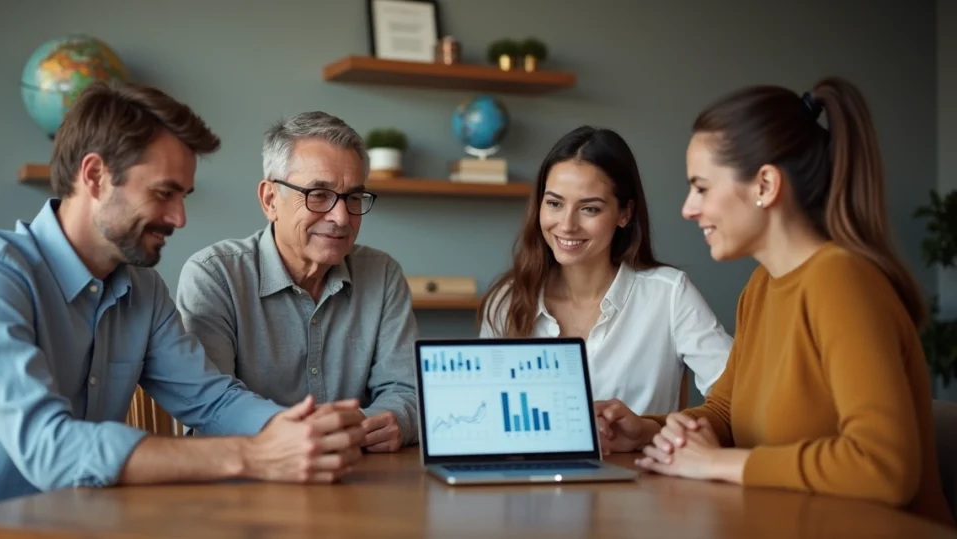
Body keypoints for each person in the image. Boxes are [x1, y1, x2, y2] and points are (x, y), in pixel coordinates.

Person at [0, 82, 366, 518]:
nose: (179, 218)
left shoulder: (143, 288)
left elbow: (210, 400)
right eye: (164, 193)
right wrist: (255, 454)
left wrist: (297, 433)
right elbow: (52, 450)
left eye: (183, 196)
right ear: (95, 176)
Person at [598, 77, 955, 528]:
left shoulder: (841, 281)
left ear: (765, 184)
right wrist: (648, 431)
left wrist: (716, 465)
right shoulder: (763, 286)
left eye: (702, 188)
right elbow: (726, 412)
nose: (688, 208)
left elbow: (883, 465)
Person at [175, 111, 418, 453]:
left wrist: (397, 418)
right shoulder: (215, 275)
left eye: (352, 197)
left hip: (357, 475)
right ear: (270, 200)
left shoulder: (382, 273)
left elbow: (406, 391)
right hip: (245, 484)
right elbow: (211, 405)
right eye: (318, 194)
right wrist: (304, 436)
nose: (341, 217)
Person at [477, 126, 733, 433]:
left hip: (641, 479)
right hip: (532, 479)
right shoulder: (508, 300)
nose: (567, 224)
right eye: (554, 203)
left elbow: (739, 400)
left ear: (624, 213)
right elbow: (486, 419)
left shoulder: (669, 295)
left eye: (589, 208)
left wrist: (648, 430)